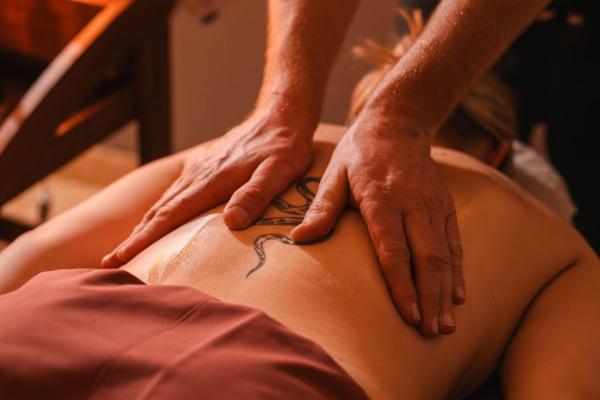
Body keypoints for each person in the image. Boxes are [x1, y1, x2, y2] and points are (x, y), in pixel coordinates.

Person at [0, 121, 598, 398]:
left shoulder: (241, 143)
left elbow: (22, 262)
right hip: (250, 377)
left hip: (52, 323)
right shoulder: (559, 247)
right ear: (498, 151)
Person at [97, 0, 555, 332]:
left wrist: (401, 115)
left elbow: (55, 264)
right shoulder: (552, 247)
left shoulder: (552, 252)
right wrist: (283, 103)